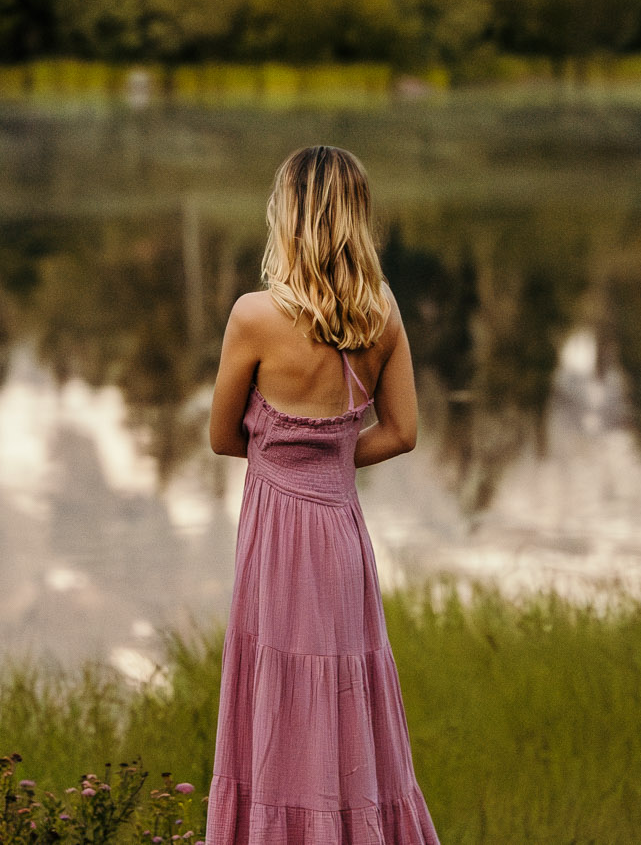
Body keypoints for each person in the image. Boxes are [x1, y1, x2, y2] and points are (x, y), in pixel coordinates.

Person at [205, 145, 439, 845]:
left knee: (278, 702)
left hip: (275, 541)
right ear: (356, 220)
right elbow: (402, 431)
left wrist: (286, 462)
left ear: (289, 216)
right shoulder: (383, 315)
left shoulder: (253, 317)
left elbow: (221, 437)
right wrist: (333, 461)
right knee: (344, 699)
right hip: (340, 536)